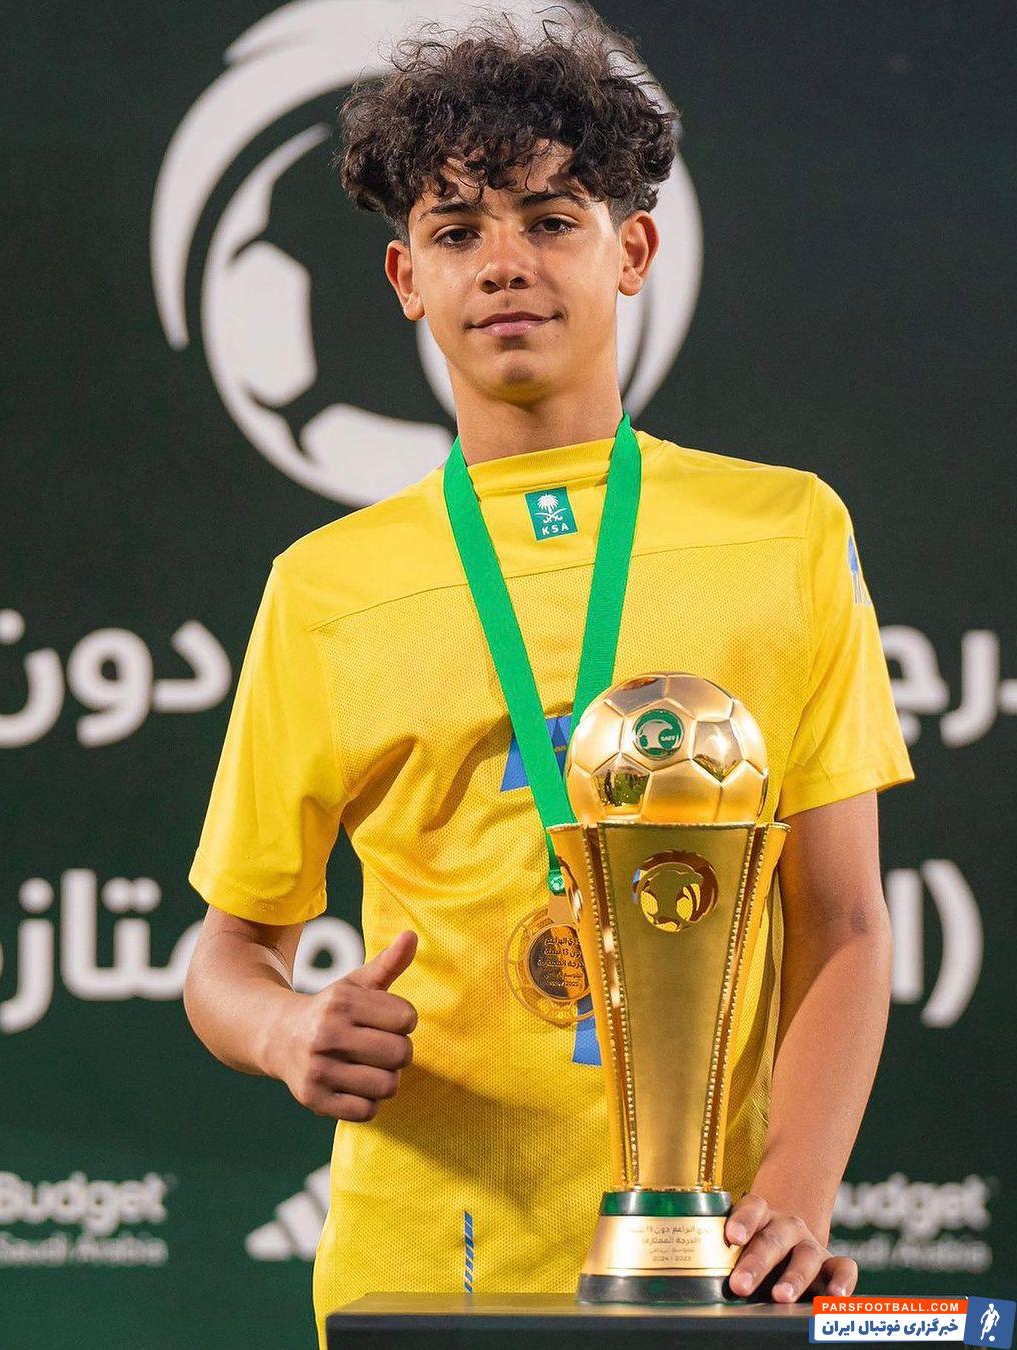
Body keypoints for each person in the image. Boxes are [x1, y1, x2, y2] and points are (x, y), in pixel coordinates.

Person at [182, 6, 915, 1345]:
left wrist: (795, 1194)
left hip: (706, 1265)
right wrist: (285, 1032)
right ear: (406, 278)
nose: (505, 262)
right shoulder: (326, 586)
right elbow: (229, 954)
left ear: (633, 251)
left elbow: (847, 922)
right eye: (458, 231)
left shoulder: (787, 533)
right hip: (420, 1271)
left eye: (552, 219)